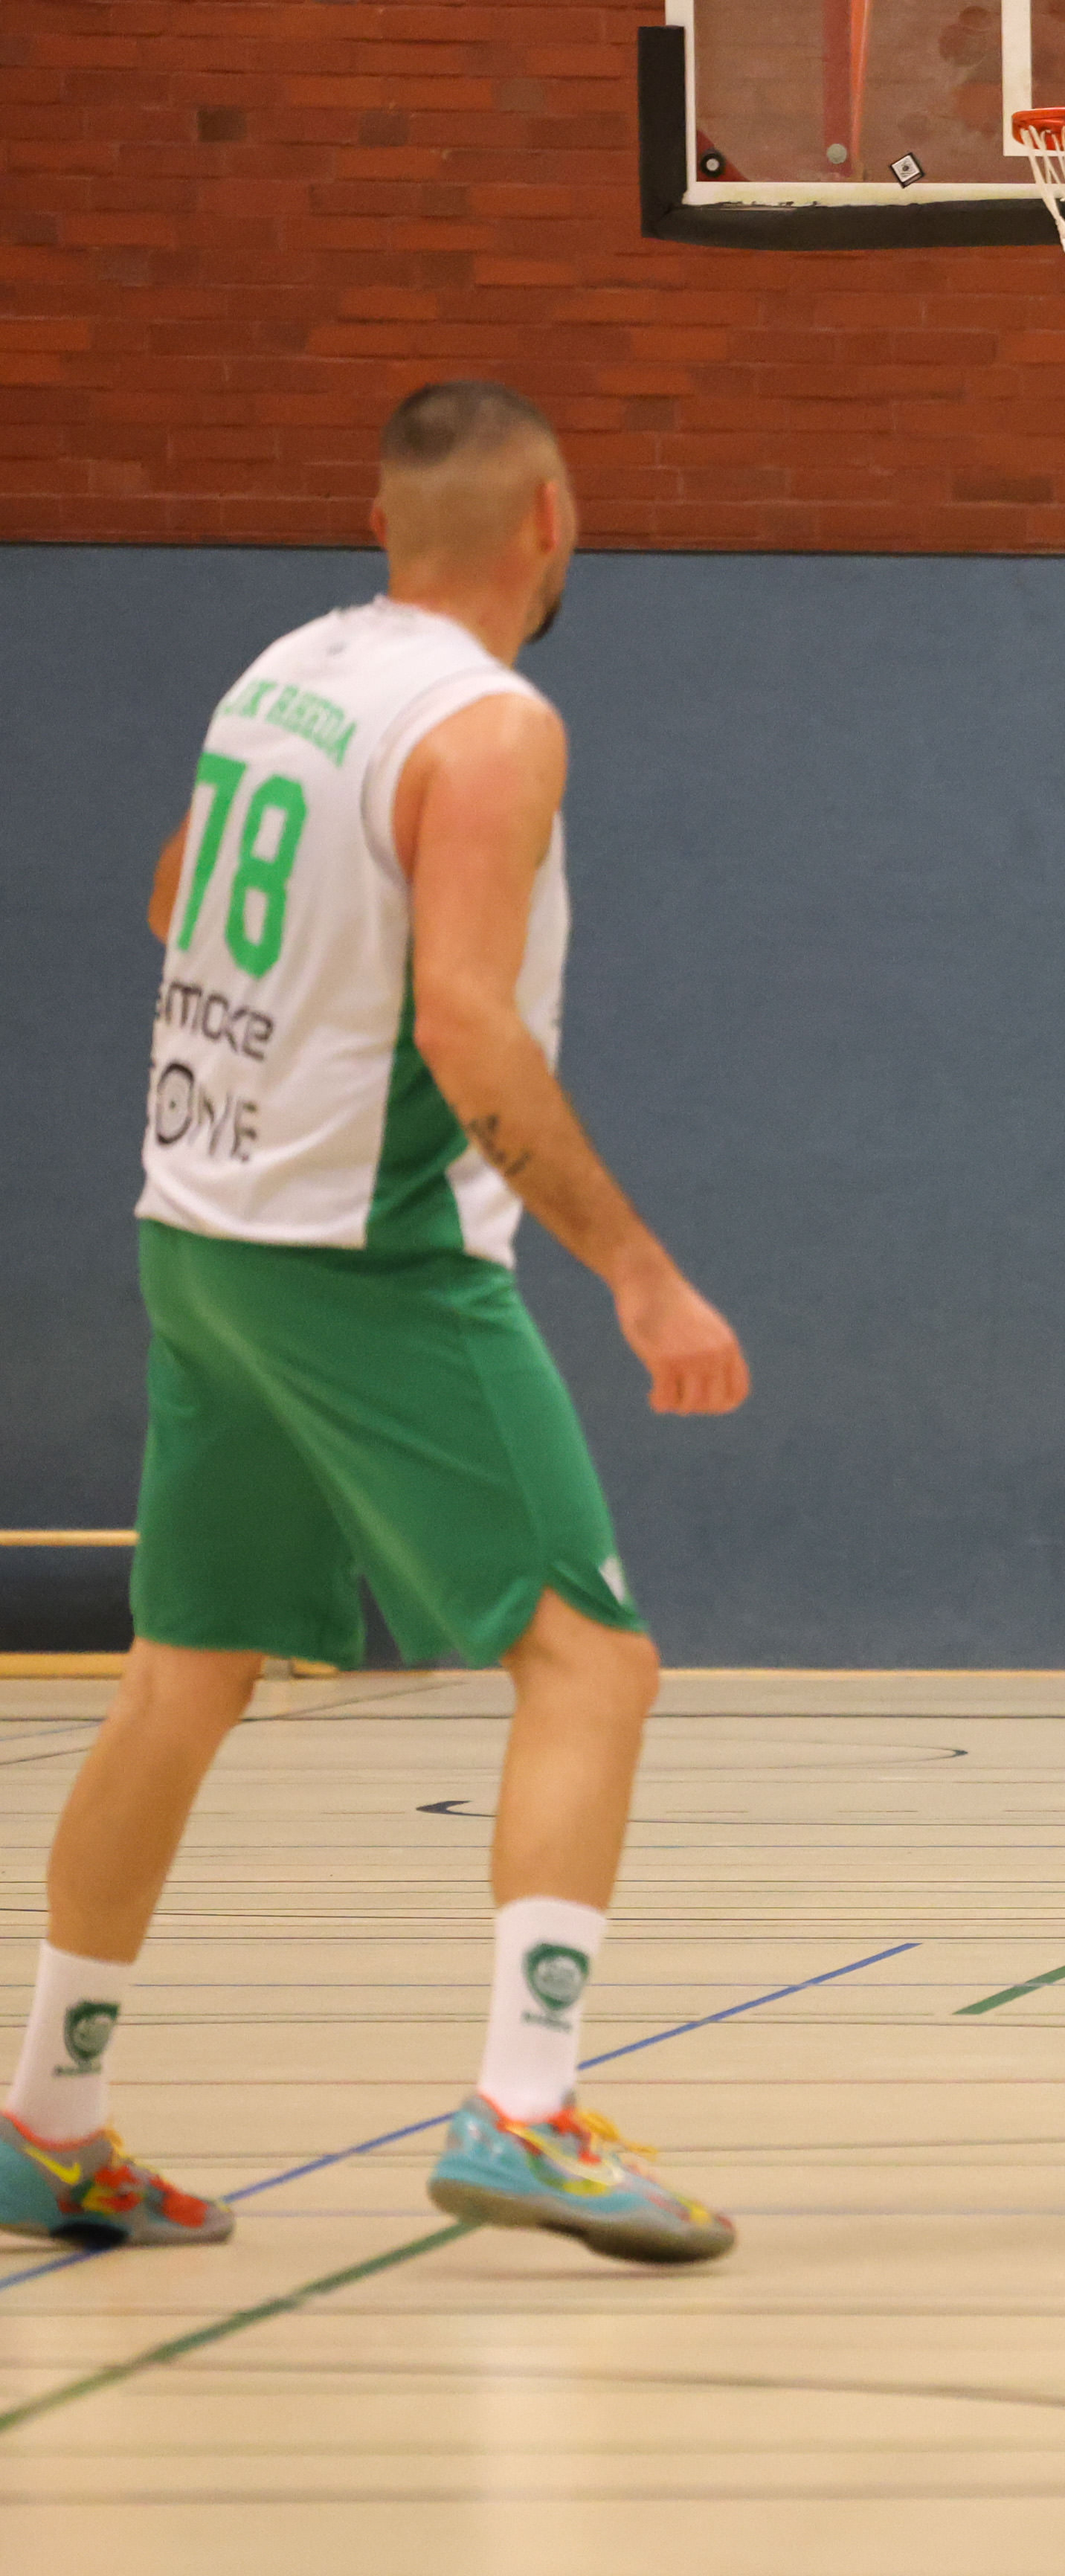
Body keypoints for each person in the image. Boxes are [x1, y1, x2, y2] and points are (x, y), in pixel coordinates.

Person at [1, 383, 750, 2265]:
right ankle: (525, 2108)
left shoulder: (288, 668)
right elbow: (467, 1031)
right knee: (592, 1662)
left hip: (200, 1234)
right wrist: (637, 1268)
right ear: (552, 520)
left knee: (181, 1678)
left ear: (383, 522)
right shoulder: (491, 724)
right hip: (370, 1259)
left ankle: (46, 2119)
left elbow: (176, 897)